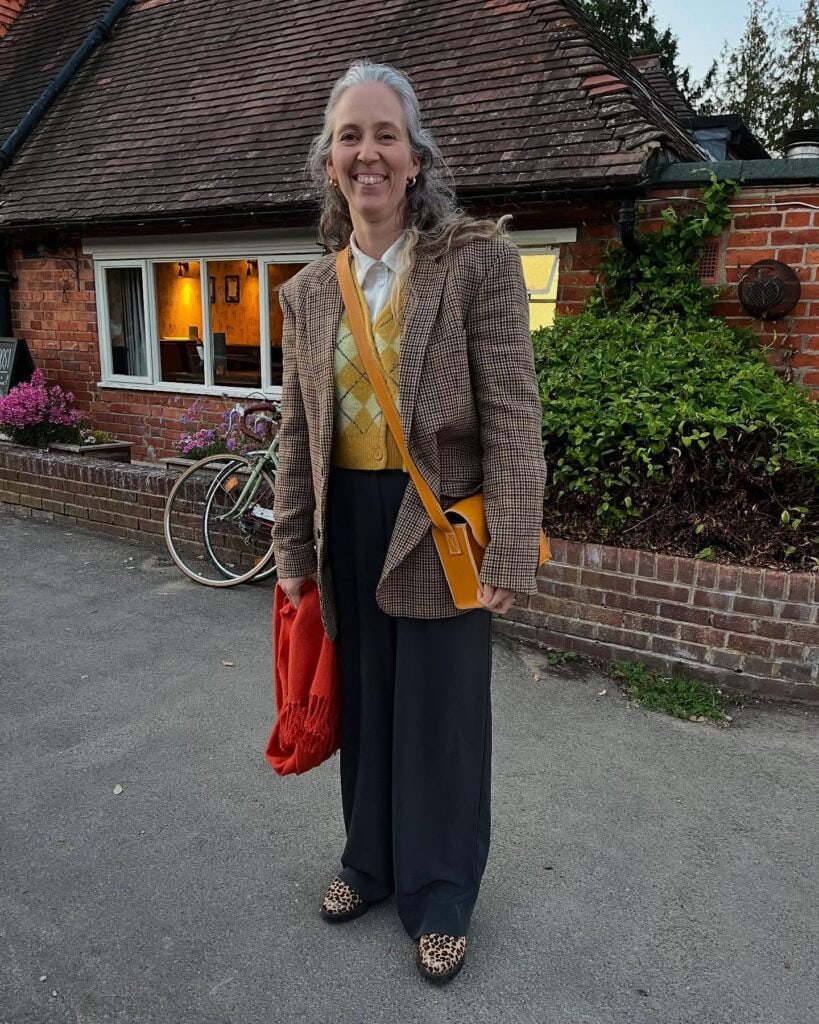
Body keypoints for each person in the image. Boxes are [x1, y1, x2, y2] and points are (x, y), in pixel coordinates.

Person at [271, 60, 546, 984]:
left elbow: (512, 411)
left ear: (416, 156)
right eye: (349, 136)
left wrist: (513, 537)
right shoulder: (309, 292)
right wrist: (289, 548)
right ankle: (369, 862)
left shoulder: (476, 262)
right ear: (328, 161)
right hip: (346, 519)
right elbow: (297, 430)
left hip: (440, 522)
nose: (368, 153)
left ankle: (439, 895)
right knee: (367, 702)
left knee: (440, 719)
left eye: (384, 134)